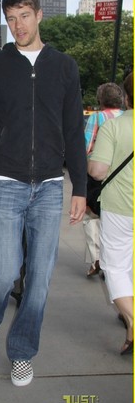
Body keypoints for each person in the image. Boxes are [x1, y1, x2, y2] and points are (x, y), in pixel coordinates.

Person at [0, 0, 87, 387]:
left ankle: (23, 352)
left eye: (24, 16)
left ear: (40, 15)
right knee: (2, 274)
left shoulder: (64, 67)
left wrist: (79, 186)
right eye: (10, 19)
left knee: (40, 280)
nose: (17, 26)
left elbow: (74, 131)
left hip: (48, 185)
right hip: (7, 182)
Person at [88, 72, 133, 355]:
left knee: (115, 267)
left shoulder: (114, 128)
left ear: (127, 97)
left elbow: (98, 171)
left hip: (120, 208)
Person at [84, 82, 124, 277]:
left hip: (98, 174)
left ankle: (96, 258)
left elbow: (86, 146)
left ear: (101, 100)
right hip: (121, 177)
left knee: (92, 216)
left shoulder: (97, 118)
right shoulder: (126, 118)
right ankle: (115, 260)